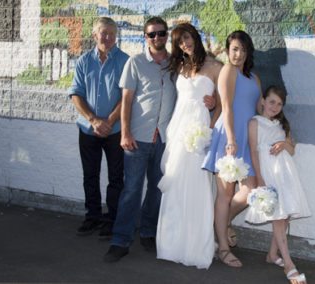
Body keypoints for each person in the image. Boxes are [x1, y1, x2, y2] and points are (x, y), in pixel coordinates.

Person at [103, 17, 177, 263]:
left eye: (161, 33)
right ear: (145, 37)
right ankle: (120, 240)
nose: (157, 38)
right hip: (138, 138)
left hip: (165, 139)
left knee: (157, 190)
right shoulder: (135, 62)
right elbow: (126, 100)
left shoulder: (176, 64)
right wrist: (124, 132)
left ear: (167, 35)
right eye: (152, 34)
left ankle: (147, 232)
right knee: (132, 190)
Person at [156, 23, 222, 269]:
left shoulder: (216, 67)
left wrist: (212, 123)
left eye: (187, 37)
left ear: (195, 37)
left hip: (201, 131)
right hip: (179, 130)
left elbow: (224, 103)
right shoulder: (180, 67)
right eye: (179, 41)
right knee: (175, 183)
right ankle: (172, 244)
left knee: (197, 185)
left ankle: (196, 246)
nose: (185, 43)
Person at [202, 30, 261, 267]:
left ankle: (224, 224)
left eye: (243, 50)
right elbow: (226, 107)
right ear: (228, 50)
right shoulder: (227, 71)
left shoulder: (255, 78)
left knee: (251, 190)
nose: (238, 54)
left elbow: (259, 107)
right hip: (229, 136)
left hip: (248, 139)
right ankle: (223, 249)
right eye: (235, 49)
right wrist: (231, 140)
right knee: (225, 194)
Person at [68, 17, 129, 237]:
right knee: (90, 176)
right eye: (104, 33)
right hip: (88, 130)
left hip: (115, 132)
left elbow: (127, 96)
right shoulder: (84, 61)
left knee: (116, 178)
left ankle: (112, 220)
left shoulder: (124, 61)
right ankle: (92, 216)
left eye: (113, 33)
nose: (109, 37)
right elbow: (76, 94)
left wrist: (110, 121)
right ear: (95, 35)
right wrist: (94, 120)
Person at [245, 85, 310, 284]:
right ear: (263, 101)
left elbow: (291, 150)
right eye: (272, 101)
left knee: (285, 216)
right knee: (279, 218)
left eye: (279, 104)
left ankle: (272, 255)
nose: (275, 106)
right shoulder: (255, 123)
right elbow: (254, 151)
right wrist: (259, 179)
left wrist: (284, 144)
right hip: (268, 172)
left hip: (284, 173)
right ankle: (289, 265)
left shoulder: (282, 125)